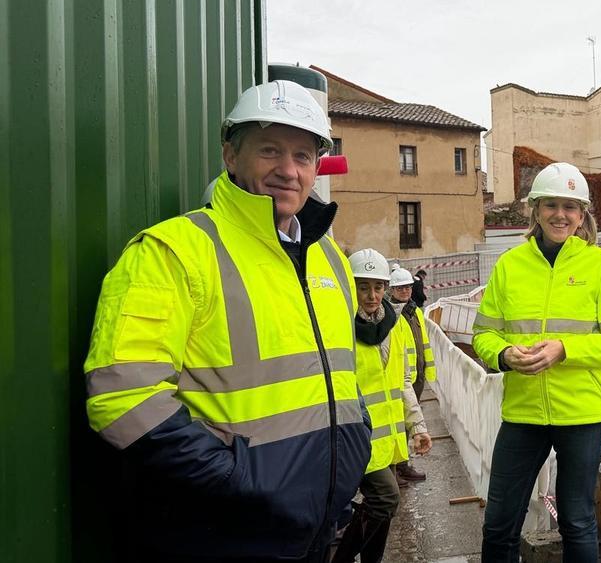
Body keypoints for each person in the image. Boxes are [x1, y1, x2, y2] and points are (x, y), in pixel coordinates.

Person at [83, 80, 371, 561]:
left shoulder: (329, 257)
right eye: (270, 150)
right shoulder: (172, 251)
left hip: (315, 523)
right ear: (230, 156)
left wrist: (349, 458)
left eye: (303, 156)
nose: (288, 170)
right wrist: (239, 481)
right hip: (222, 534)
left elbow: (341, 377)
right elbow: (121, 396)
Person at [471, 162, 601, 562]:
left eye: (570, 207)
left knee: (577, 520)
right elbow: (483, 335)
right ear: (536, 210)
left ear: (582, 216)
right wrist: (504, 355)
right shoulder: (510, 266)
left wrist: (566, 349)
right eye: (551, 205)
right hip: (524, 412)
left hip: (583, 413)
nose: (560, 215)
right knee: (498, 522)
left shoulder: (600, 267)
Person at [335, 250, 432, 563]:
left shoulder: (396, 325)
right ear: (352, 288)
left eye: (378, 287)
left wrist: (417, 427)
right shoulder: (339, 328)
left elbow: (403, 382)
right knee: (387, 498)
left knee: (385, 508)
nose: (372, 295)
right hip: (356, 438)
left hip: (387, 439)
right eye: (363, 287)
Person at [387, 266, 437, 482]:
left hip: (416, 375)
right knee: (397, 423)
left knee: (409, 422)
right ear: (391, 290)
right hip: (399, 376)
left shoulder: (414, 311)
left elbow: (423, 342)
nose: (405, 291)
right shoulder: (389, 314)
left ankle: (402, 464)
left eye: (407, 287)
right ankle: (395, 467)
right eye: (400, 288)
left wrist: (427, 368)